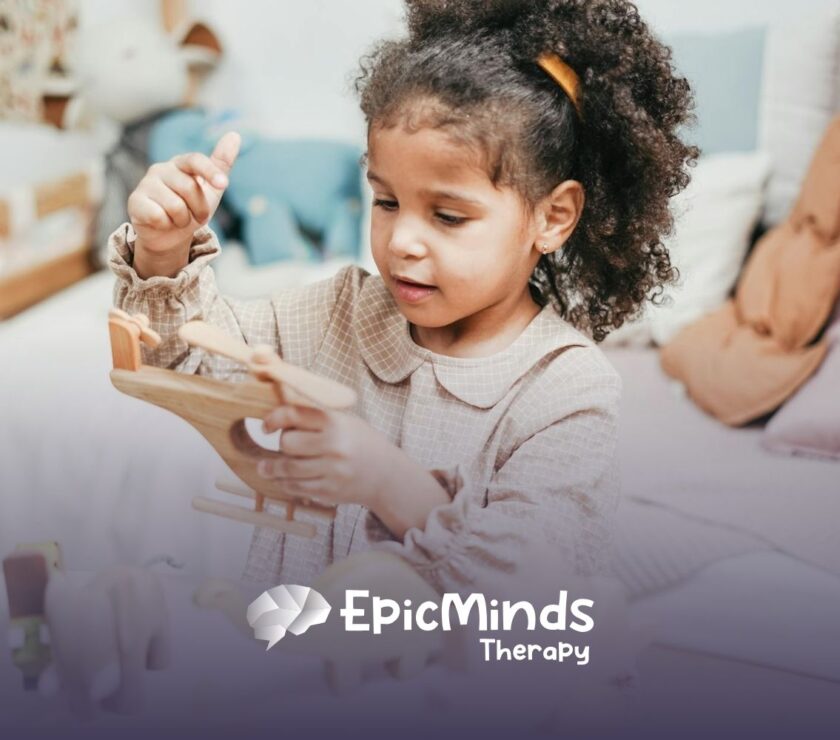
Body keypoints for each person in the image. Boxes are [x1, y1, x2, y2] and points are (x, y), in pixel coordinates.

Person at [109, 0, 697, 594]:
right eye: (386, 202)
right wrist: (164, 248)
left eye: (447, 215)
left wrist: (386, 481)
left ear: (554, 216)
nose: (402, 242)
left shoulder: (567, 392)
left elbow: (530, 593)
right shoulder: (339, 312)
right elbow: (180, 360)